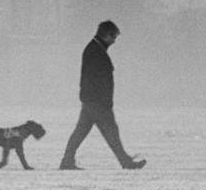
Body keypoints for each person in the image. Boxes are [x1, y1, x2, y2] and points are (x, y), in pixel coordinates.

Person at [59, 19, 145, 170]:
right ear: (107, 35)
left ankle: (67, 161)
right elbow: (97, 79)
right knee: (111, 132)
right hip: (97, 101)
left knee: (81, 132)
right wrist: (104, 100)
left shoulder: (94, 49)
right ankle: (125, 162)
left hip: (92, 100)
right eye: (114, 38)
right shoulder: (95, 51)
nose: (114, 41)